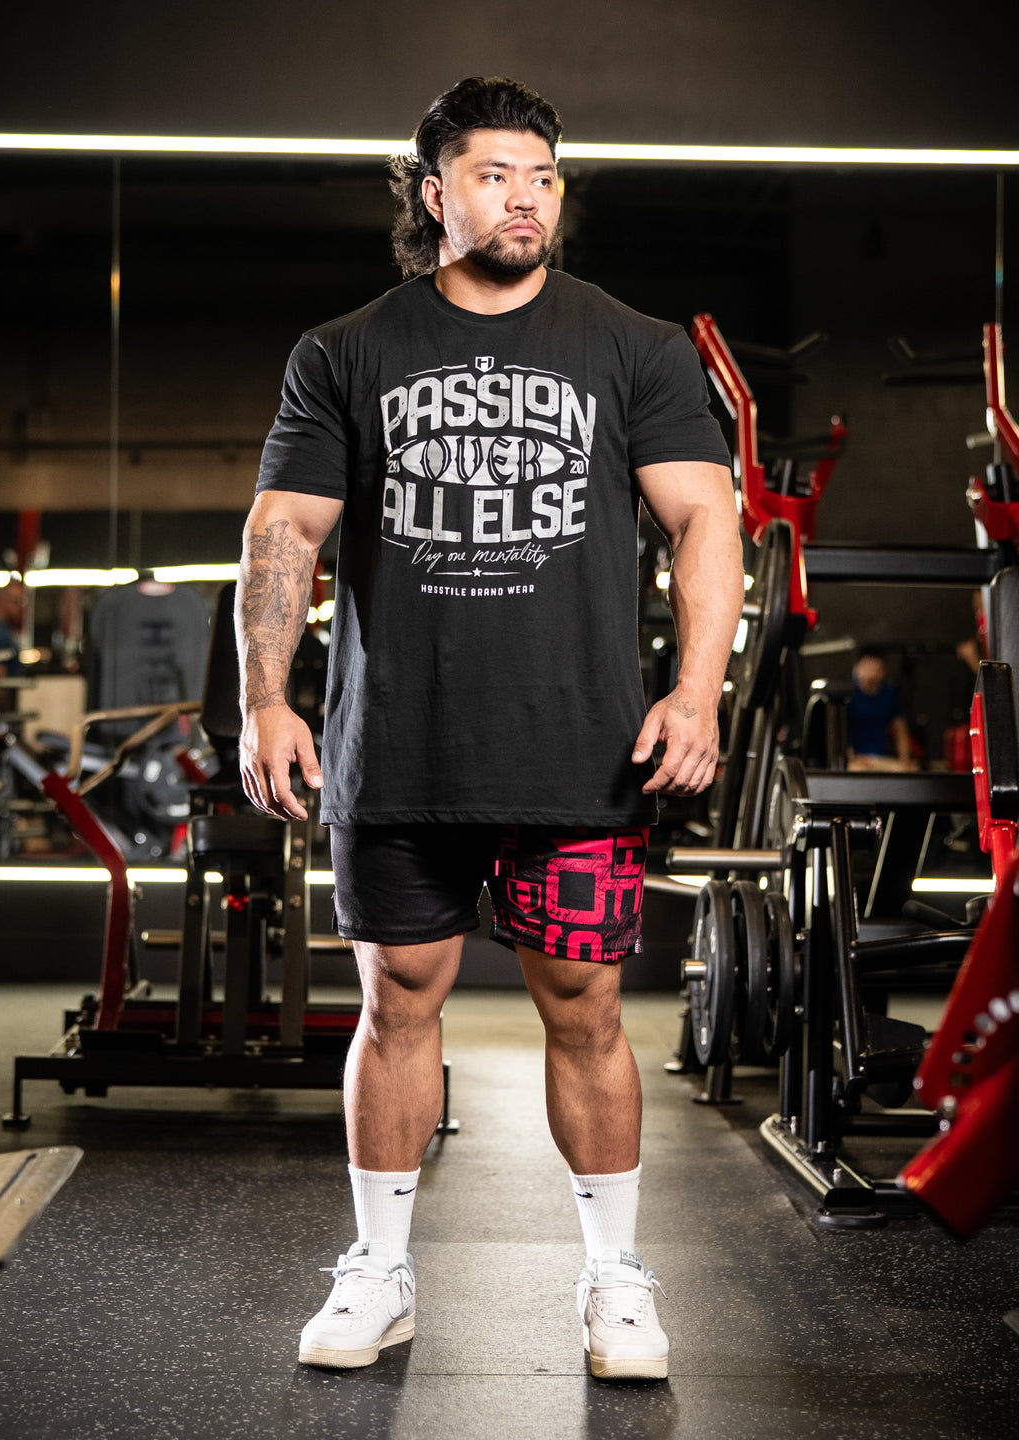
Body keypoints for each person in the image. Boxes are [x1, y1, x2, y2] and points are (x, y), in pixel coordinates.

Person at [236, 76, 743, 1381]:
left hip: (578, 750)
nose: (524, 198)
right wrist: (265, 696)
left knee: (584, 1010)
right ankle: (381, 1272)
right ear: (434, 193)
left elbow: (705, 520)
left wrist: (696, 690)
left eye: (543, 177)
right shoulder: (345, 352)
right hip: (399, 749)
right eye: (495, 174)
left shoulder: (631, 348)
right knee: (397, 1002)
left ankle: (616, 1280)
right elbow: (284, 531)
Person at [846, 645, 915, 771]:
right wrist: (851, 757)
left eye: (876, 668)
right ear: (857, 668)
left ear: (883, 670)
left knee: (910, 773)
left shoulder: (889, 694)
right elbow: (841, 733)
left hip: (881, 759)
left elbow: (900, 729)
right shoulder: (848, 695)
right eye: (867, 667)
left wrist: (905, 761)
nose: (871, 672)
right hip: (857, 759)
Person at [0, 579, 26, 677]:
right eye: (16, 601)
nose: (20, 608)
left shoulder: (7, 633)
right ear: (3, 601)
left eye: (21, 602)